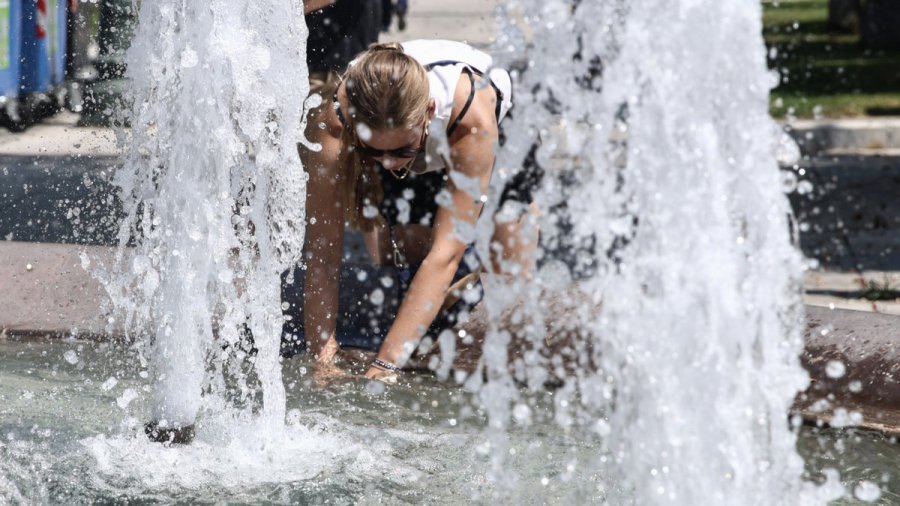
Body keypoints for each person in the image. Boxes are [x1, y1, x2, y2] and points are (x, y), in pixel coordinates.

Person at [298, 40, 539, 383]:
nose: (389, 163)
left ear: (428, 110)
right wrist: (323, 359)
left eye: (399, 150)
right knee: (391, 253)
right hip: (415, 138)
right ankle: (448, 291)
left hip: (494, 129)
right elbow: (322, 253)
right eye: (372, 151)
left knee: (510, 285)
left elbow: (445, 253)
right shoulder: (334, 122)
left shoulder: (472, 117)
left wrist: (385, 366)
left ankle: (484, 256)